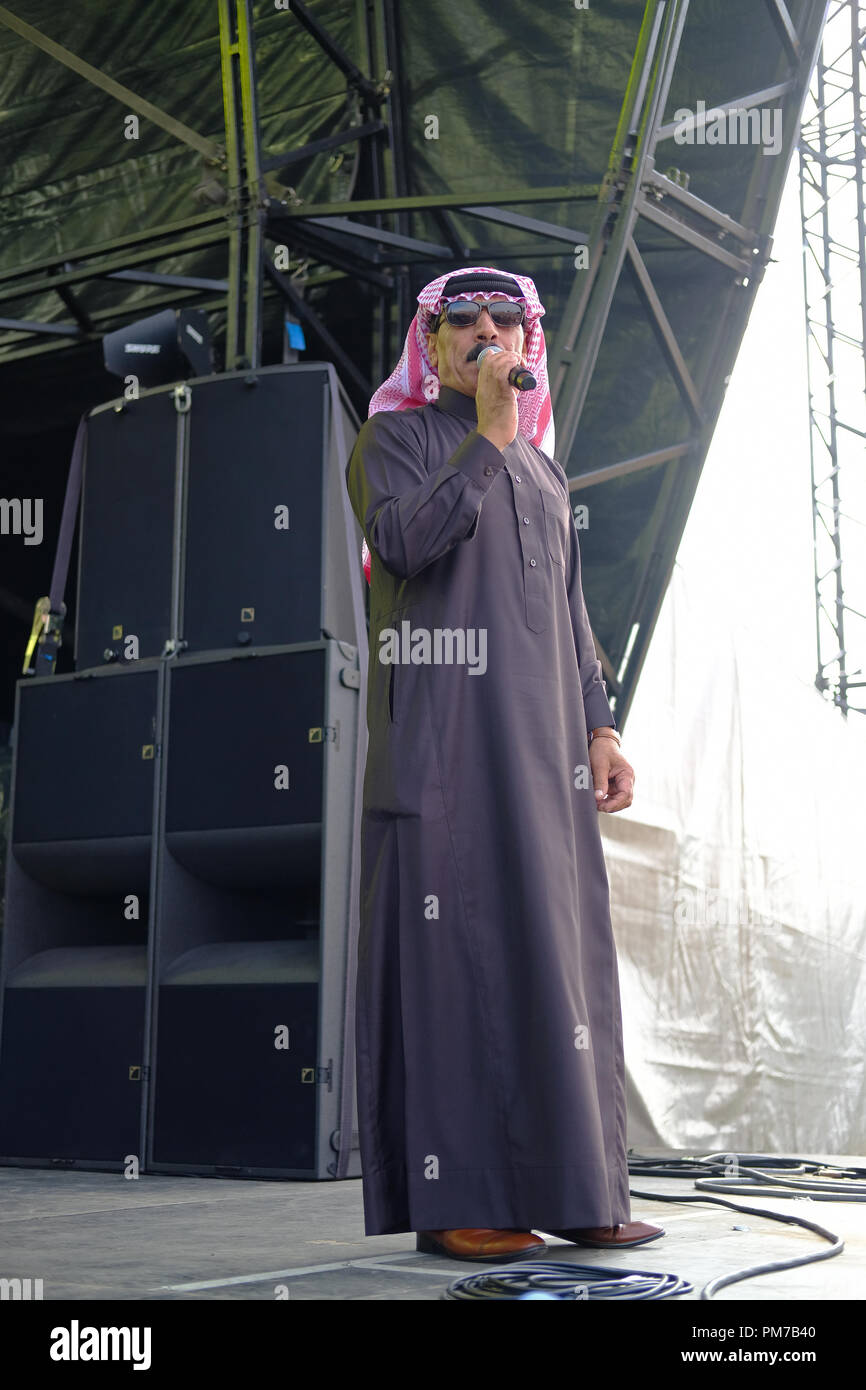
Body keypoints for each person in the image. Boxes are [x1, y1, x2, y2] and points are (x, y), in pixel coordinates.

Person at [345, 265, 664, 1263]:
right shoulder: (391, 439)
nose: (483, 333)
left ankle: (578, 1189)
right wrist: (484, 435)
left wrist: (600, 727)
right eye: (460, 321)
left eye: (502, 320)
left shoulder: (544, 471)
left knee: (556, 958)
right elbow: (403, 543)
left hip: (544, 759)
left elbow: (570, 617)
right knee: (457, 955)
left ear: (528, 342)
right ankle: (459, 1200)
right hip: (442, 747)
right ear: (429, 345)